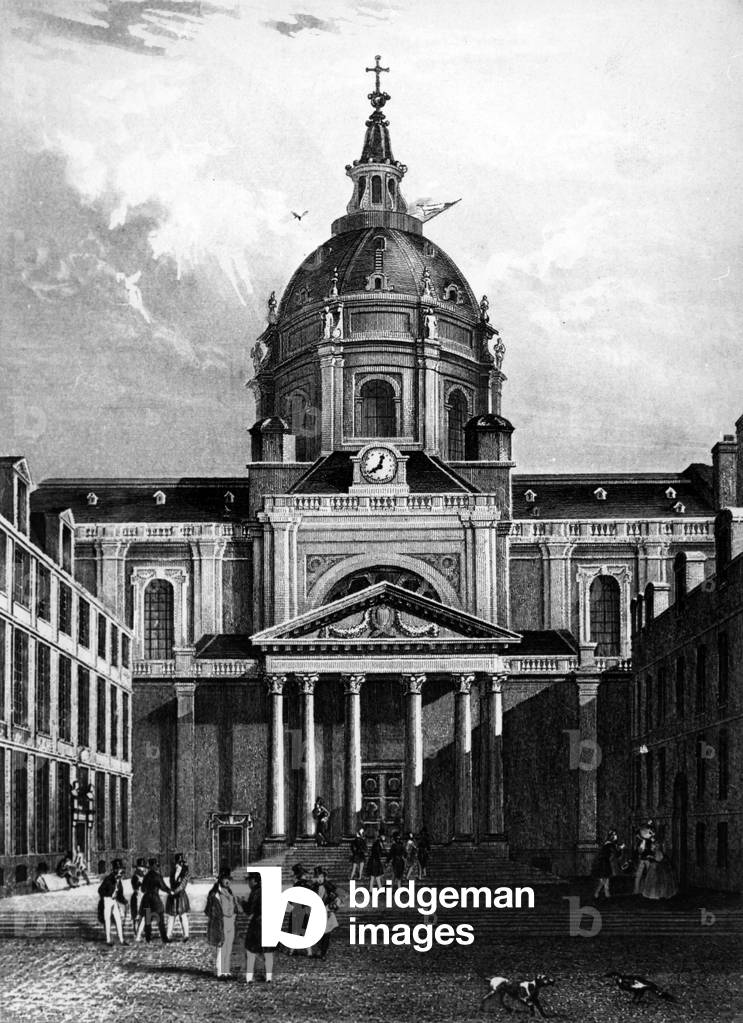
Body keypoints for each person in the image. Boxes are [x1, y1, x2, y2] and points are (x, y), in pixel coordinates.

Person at [205, 868, 241, 979]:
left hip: (231, 921)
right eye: (225, 879)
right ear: (220, 879)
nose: (227, 881)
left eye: (229, 879)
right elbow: (209, 910)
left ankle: (226, 971)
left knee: (229, 947)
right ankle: (220, 972)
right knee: (222, 947)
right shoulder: (214, 893)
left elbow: (234, 905)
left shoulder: (230, 891)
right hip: (221, 921)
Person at [242, 872, 276, 983]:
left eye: (249, 880)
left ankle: (249, 977)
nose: (248, 883)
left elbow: (249, 911)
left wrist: (242, 902)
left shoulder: (255, 892)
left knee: (250, 950)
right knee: (268, 952)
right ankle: (269, 977)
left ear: (254, 881)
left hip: (257, 923)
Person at [139, 858, 172, 943]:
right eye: (156, 865)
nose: (157, 867)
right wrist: (170, 891)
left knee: (147, 920)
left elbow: (142, 889)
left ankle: (148, 938)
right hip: (155, 899)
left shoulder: (146, 876)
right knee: (160, 919)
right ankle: (164, 939)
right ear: (153, 866)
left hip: (146, 900)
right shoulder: (157, 876)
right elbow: (163, 887)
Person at [97, 859, 129, 946]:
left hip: (114, 901)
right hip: (107, 900)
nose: (120, 871)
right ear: (115, 870)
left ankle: (121, 940)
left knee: (118, 920)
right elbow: (100, 890)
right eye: (119, 869)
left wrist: (125, 901)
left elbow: (120, 894)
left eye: (121, 869)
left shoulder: (118, 880)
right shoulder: (108, 879)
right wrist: (108, 895)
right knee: (107, 920)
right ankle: (108, 940)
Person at [312, 866, 340, 960]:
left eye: (321, 877)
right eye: (317, 877)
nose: (319, 879)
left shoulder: (329, 886)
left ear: (324, 877)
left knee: (326, 933)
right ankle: (320, 950)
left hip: (327, 911)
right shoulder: (314, 887)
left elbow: (337, 899)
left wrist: (333, 907)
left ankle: (323, 953)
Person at [641, 835, 679, 900]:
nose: (651, 847)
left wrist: (651, 858)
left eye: (653, 846)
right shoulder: (656, 852)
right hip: (655, 868)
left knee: (657, 883)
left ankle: (657, 895)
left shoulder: (658, 852)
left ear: (656, 846)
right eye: (651, 846)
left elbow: (658, 860)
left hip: (657, 869)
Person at [166, 852, 191, 942]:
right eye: (177, 863)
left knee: (183, 916)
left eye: (179, 863)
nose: (177, 865)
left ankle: (186, 935)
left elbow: (182, 885)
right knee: (171, 916)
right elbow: (171, 882)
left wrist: (174, 891)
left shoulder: (186, 873)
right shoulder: (173, 871)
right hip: (173, 897)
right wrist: (171, 891)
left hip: (180, 896)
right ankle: (168, 935)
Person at [592, 829, 624, 900]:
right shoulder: (610, 844)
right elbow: (616, 854)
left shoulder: (607, 843)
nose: (616, 836)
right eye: (615, 835)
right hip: (604, 863)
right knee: (605, 879)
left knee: (605, 879)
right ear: (611, 836)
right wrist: (621, 848)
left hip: (602, 862)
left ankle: (606, 894)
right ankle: (597, 893)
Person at [633, 821, 656, 894]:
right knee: (638, 875)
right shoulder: (640, 840)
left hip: (648, 859)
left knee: (650, 875)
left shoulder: (650, 840)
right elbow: (638, 850)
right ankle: (636, 890)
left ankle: (650, 891)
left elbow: (653, 848)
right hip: (642, 859)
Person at [130, 858, 147, 940]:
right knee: (136, 916)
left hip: (143, 896)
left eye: (143, 867)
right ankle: (136, 932)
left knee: (144, 915)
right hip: (137, 897)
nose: (142, 869)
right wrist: (139, 884)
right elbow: (135, 887)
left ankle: (142, 932)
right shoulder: (135, 876)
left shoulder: (144, 876)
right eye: (141, 867)